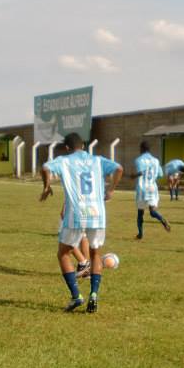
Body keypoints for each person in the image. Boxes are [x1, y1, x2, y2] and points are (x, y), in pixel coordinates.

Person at [40, 132, 123, 313]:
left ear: (67, 148)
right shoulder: (98, 160)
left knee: (63, 253)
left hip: (76, 213)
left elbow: (45, 167)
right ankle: (94, 294)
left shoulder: (65, 160)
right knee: (95, 253)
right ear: (84, 146)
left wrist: (46, 187)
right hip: (97, 213)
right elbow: (119, 169)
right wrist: (111, 189)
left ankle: (76, 296)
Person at [132, 141, 171, 239]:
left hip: (142, 188)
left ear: (141, 149)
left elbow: (140, 172)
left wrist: (133, 176)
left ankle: (140, 234)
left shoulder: (139, 160)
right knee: (152, 211)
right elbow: (160, 175)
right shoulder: (156, 161)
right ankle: (162, 219)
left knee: (140, 212)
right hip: (153, 188)